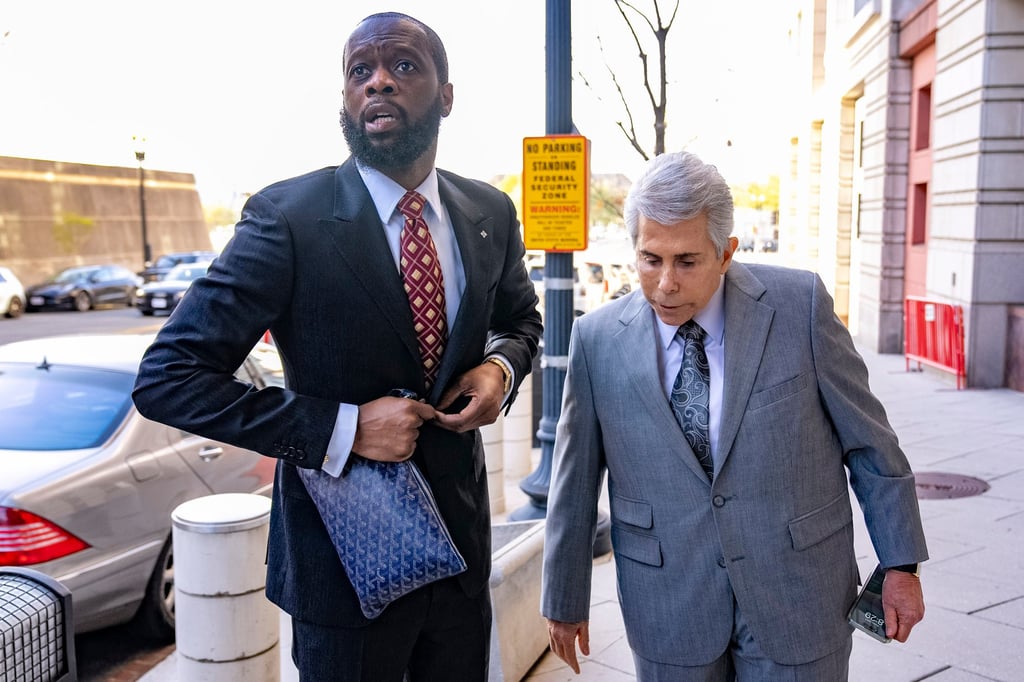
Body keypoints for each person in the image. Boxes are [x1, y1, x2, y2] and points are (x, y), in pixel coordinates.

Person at [132, 12, 541, 682]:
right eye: (361, 71)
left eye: (404, 65)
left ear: (445, 95)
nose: (379, 81)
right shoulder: (287, 218)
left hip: (461, 559)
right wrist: (343, 428)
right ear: (346, 99)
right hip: (342, 570)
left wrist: (500, 368)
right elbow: (168, 378)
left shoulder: (488, 213)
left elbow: (521, 322)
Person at [541, 150, 926, 680]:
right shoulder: (596, 339)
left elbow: (871, 446)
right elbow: (573, 482)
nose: (666, 283)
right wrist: (564, 596)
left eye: (687, 261)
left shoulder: (800, 307)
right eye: (651, 259)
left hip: (799, 598)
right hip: (668, 604)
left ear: (726, 254)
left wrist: (901, 563)